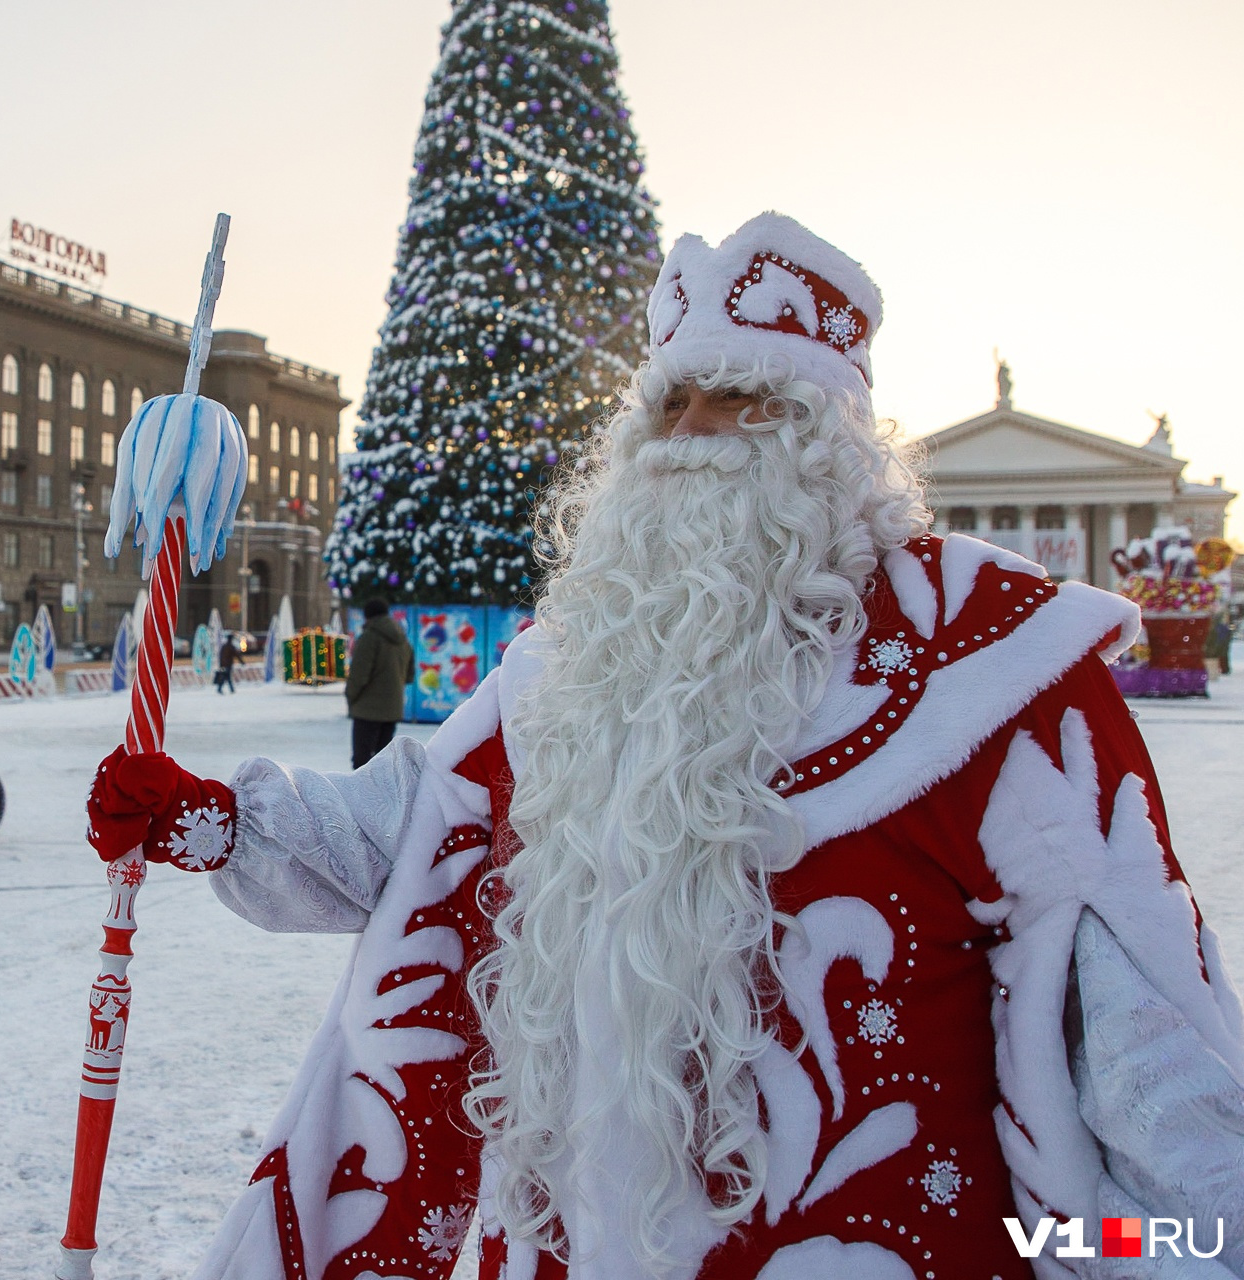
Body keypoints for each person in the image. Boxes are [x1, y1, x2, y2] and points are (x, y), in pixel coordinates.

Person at [85, 214, 1244, 1278]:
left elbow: (1153, 1073)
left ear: (827, 436)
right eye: (669, 403)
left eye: (736, 396)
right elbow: (405, 841)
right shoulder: (571, 665)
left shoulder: (994, 675)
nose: (688, 435)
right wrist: (218, 819)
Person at [343, 598, 412, 768]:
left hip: (367, 711)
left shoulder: (369, 638)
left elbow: (359, 675)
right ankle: (382, 794)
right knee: (383, 763)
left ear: (368, 617)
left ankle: (362, 795)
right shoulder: (403, 640)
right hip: (392, 709)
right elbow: (409, 676)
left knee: (362, 763)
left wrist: (350, 696)